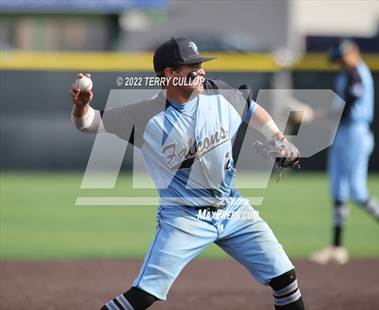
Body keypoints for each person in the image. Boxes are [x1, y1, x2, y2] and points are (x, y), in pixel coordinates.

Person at [70, 37, 305, 309]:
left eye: (201, 64)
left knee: (285, 278)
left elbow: (251, 109)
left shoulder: (218, 91)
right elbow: (88, 124)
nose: (201, 71)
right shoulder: (146, 115)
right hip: (184, 216)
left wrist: (278, 137)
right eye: (192, 66)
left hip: (232, 207)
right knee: (145, 294)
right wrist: (80, 106)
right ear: (170, 74)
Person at [309, 40, 379, 265]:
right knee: (338, 188)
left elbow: (348, 107)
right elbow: (341, 110)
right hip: (344, 132)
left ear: (354, 53)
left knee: (356, 190)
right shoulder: (345, 73)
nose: (341, 61)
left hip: (356, 132)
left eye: (344, 56)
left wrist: (314, 115)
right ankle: (337, 247)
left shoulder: (357, 72)